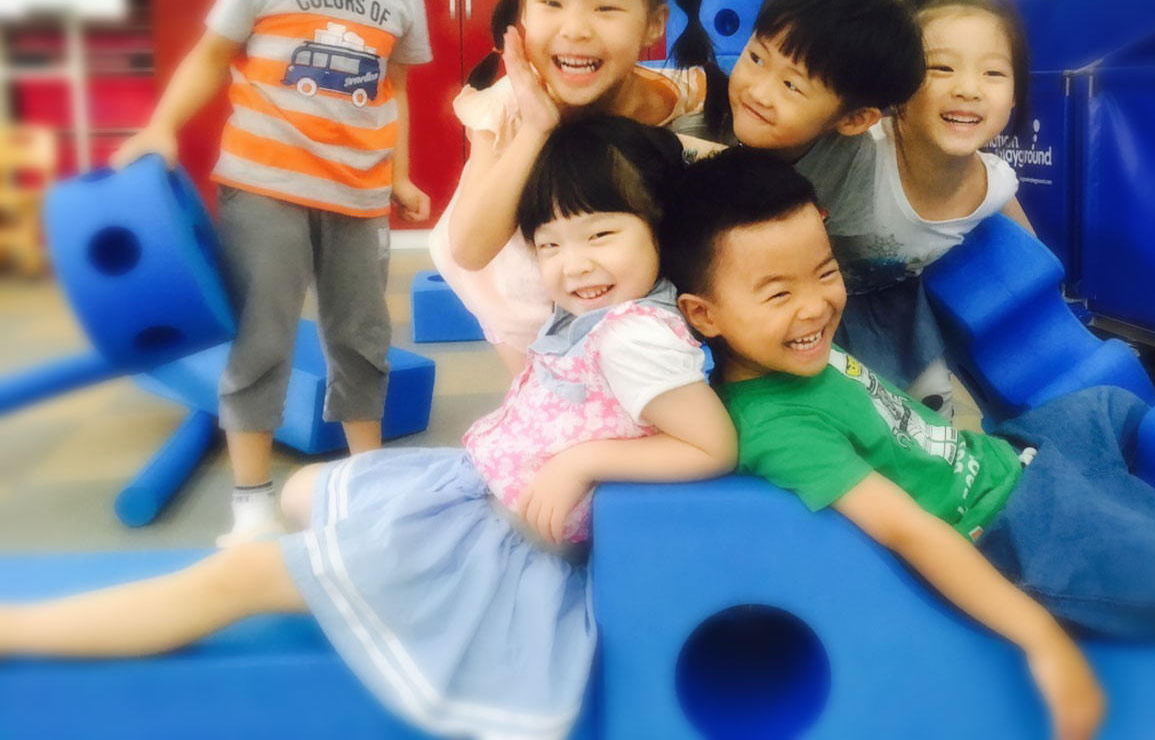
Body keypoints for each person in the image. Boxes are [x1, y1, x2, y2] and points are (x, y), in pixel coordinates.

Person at [2, 115, 736, 740]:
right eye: (550, 243)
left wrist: (580, 463)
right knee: (307, 493)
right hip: (475, 493)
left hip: (498, 547)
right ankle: (338, 576)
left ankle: (17, 631)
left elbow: (711, 445)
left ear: (659, 228)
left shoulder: (636, 337)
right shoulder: (614, 311)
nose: (576, 265)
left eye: (601, 233)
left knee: (236, 577)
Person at [659, 147, 1155, 740]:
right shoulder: (775, 425)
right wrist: (1043, 638)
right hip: (1016, 531)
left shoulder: (798, 356)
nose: (815, 305)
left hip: (1012, 456)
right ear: (703, 314)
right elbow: (910, 532)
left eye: (824, 272)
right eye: (778, 293)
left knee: (1107, 404)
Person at [111, 0, 444, 545]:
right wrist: (162, 127)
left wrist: (397, 175)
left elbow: (391, 92)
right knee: (262, 337)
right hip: (265, 186)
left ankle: (365, 488)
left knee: (361, 339)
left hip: (358, 194)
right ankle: (252, 500)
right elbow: (211, 55)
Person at [429, 0, 727, 377]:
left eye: (606, 8)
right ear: (523, 7)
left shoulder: (671, 100)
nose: (575, 30)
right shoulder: (508, 107)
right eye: (551, 3)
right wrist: (537, 127)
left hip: (615, 290)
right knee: (551, 404)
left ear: (654, 23)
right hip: (517, 298)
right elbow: (470, 250)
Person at [724, 0, 1028, 412]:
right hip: (810, 311)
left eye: (993, 73)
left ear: (1016, 94)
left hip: (896, 318)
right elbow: (753, 155)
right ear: (900, 94)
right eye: (942, 68)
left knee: (926, 408)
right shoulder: (856, 150)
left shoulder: (994, 183)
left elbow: (1028, 250)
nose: (967, 89)